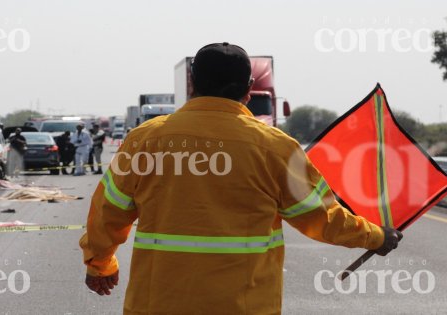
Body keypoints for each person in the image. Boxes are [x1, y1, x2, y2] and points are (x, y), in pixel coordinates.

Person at [79, 43, 403, 314]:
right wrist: (376, 236)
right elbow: (323, 219)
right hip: (245, 306)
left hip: (157, 304)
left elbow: (108, 211)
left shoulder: (144, 140)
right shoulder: (276, 147)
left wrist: (100, 265)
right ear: (249, 89)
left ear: (192, 86)